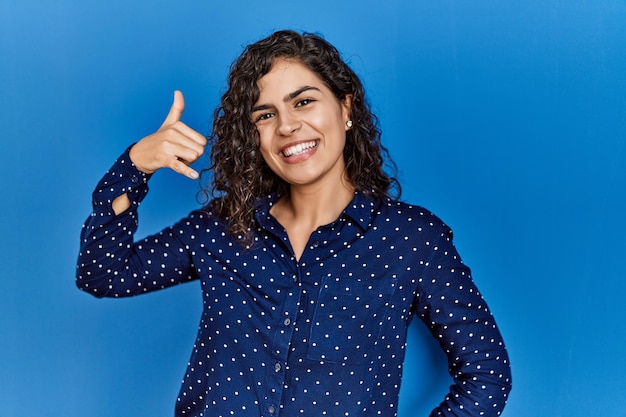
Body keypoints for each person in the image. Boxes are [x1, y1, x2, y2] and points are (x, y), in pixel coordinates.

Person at [76, 30, 512, 417]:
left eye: (303, 101)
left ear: (346, 107)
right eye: (264, 115)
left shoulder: (411, 239)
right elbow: (102, 272)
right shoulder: (223, 228)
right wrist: (135, 165)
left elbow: (487, 373)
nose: (287, 125)